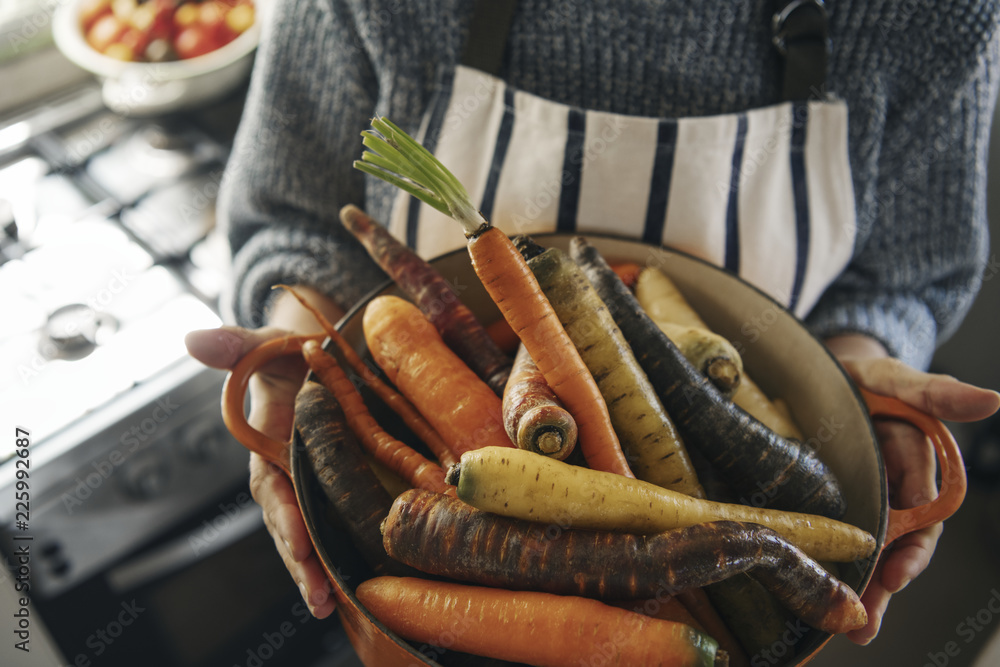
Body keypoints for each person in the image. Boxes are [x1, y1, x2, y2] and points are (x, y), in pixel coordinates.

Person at [185, 0, 1000, 649]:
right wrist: (299, 351)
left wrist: (857, 373)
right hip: (437, 584)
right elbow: (295, 225)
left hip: (741, 457)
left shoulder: (928, 11)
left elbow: (901, 275)